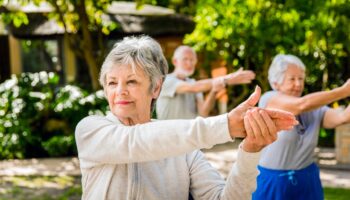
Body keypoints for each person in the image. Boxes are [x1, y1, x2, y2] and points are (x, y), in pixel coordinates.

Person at [75, 36, 298, 200]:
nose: (120, 91)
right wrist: (226, 124)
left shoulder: (186, 154)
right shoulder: (90, 130)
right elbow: (135, 142)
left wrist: (250, 151)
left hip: (186, 136)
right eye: (112, 82)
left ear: (155, 88)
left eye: (131, 82)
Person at [252, 54, 350, 200]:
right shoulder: (269, 99)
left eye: (301, 79)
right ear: (276, 82)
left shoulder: (315, 108)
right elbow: (301, 105)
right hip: (273, 181)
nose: (298, 84)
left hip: (308, 179)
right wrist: (343, 91)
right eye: (292, 79)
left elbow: (343, 117)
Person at [156, 45, 256, 119]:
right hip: (169, 137)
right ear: (175, 61)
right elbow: (193, 87)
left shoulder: (193, 82)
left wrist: (214, 91)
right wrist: (227, 79)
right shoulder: (166, 80)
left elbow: (203, 112)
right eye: (185, 59)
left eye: (192, 60)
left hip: (189, 138)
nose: (189, 63)